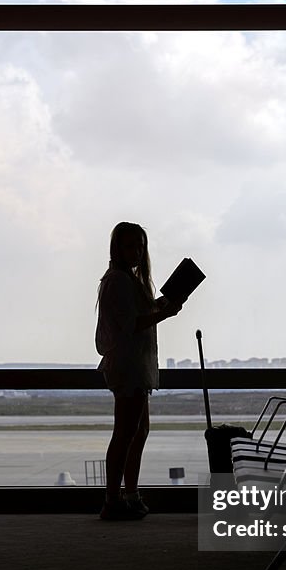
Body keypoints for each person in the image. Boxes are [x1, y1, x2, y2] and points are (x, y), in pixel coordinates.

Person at [95, 222, 182, 520]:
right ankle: (114, 498)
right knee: (126, 433)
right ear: (117, 249)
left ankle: (126, 494)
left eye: (140, 246)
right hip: (129, 366)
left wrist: (160, 307)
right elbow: (131, 324)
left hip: (133, 366)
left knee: (136, 431)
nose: (136, 251)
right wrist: (163, 313)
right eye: (130, 245)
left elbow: (135, 316)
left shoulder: (125, 281)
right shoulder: (119, 281)